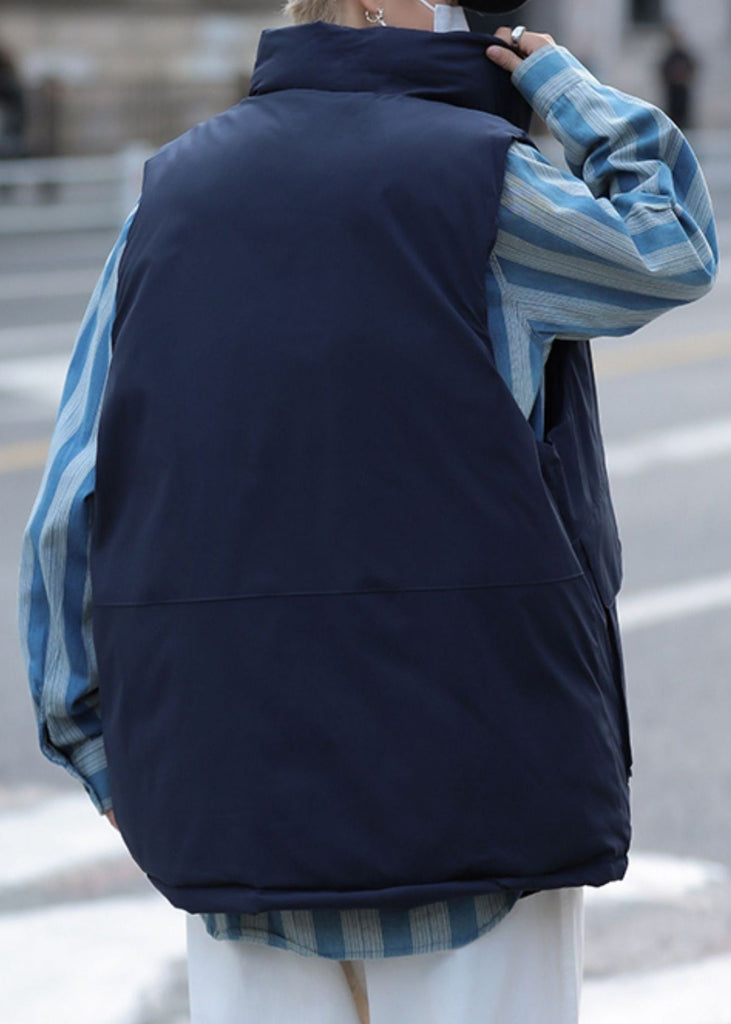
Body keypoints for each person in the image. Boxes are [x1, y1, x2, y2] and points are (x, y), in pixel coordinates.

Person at [18, 0, 718, 1021]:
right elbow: (672, 243)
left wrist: (106, 761)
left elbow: (67, 512)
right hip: (481, 801)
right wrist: (562, 86)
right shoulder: (483, 185)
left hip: (234, 812)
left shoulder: (167, 198)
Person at [658, 22, 699, 130]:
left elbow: (692, 68)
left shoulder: (683, 55)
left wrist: (683, 78)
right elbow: (663, 71)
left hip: (682, 91)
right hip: (672, 91)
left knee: (683, 116)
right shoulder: (669, 56)